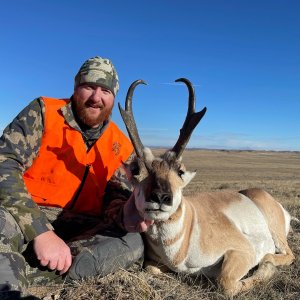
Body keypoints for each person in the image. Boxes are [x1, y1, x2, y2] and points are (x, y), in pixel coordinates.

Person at [0, 56, 153, 299]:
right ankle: (10, 290)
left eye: (105, 90)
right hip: (25, 215)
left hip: (80, 225)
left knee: (132, 242)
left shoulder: (121, 145)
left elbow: (115, 196)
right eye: (89, 86)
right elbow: (5, 164)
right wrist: (40, 232)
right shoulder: (43, 112)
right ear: (75, 87)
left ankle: (28, 269)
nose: (96, 97)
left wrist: (125, 214)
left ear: (113, 97)